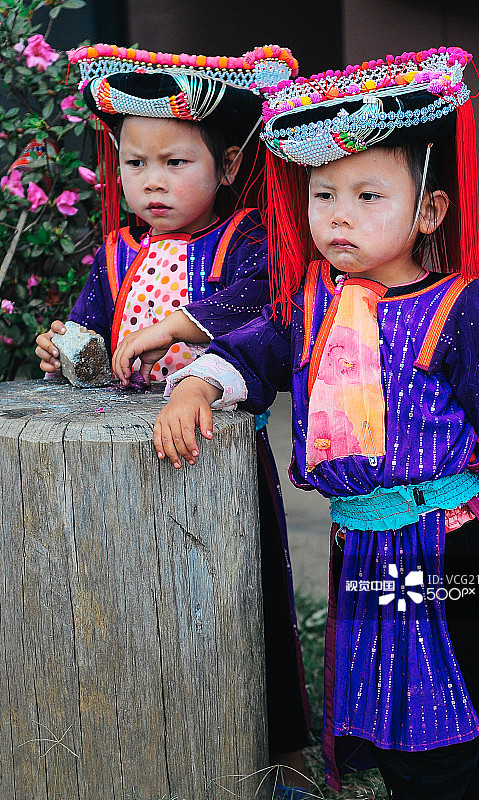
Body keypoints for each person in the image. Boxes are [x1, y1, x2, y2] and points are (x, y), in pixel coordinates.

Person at [151, 46, 479, 799]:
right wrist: (197, 387)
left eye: (368, 195)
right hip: (360, 544)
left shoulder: (452, 306)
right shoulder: (309, 302)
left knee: (457, 681)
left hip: (443, 539)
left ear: (428, 210)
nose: (338, 215)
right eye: (322, 194)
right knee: (387, 688)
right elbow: (252, 352)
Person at [34, 43, 311, 791]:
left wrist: (173, 327)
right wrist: (64, 346)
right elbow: (91, 329)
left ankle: (281, 745)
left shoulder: (245, 239)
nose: (151, 180)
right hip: (125, 448)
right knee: (133, 585)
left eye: (175, 162)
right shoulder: (116, 252)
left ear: (226, 166)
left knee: (249, 589)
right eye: (135, 163)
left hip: (218, 443)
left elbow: (262, 300)